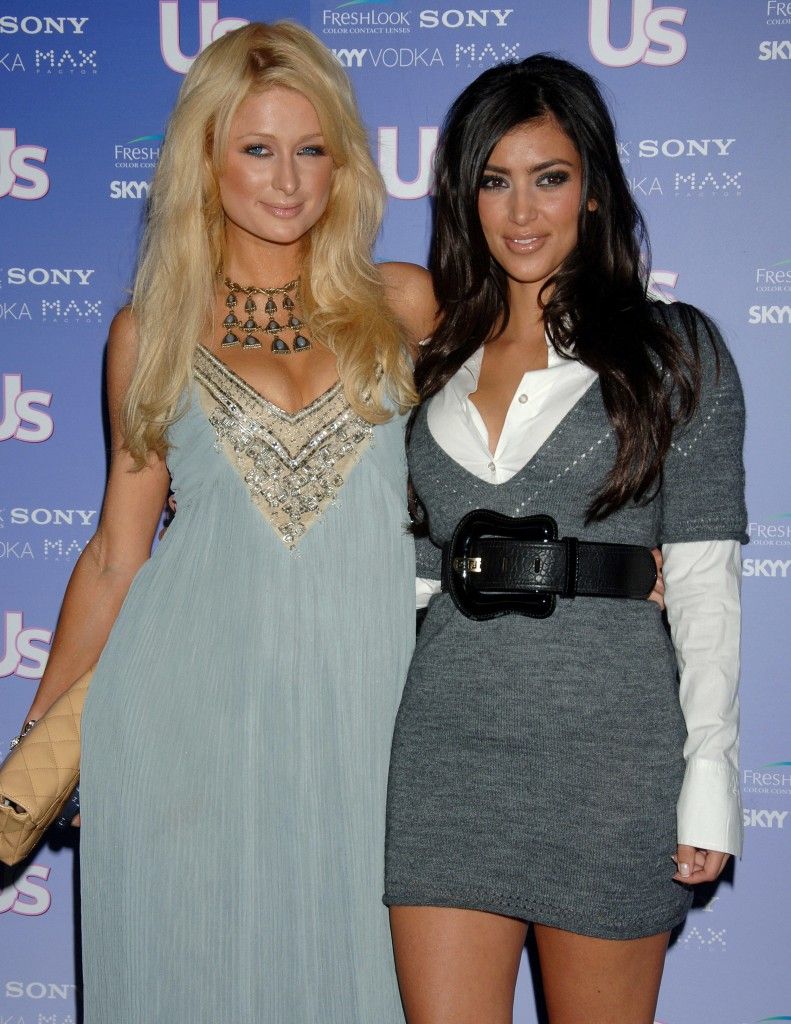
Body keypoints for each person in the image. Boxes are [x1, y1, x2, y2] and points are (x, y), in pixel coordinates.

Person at [20, 21, 423, 1024]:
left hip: (366, 723)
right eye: (257, 149)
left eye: (310, 149)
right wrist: (43, 742)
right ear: (206, 159)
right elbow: (116, 555)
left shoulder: (404, 306)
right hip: (183, 718)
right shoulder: (149, 332)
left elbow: (523, 425)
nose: (287, 181)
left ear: (342, 161)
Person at [383, 55, 746, 1024]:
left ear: (591, 188)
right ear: (462, 198)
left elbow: (704, 585)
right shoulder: (429, 365)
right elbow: (406, 589)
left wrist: (708, 776)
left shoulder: (673, 353)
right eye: (492, 180)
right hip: (444, 757)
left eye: (547, 176)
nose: (520, 210)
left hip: (608, 762)